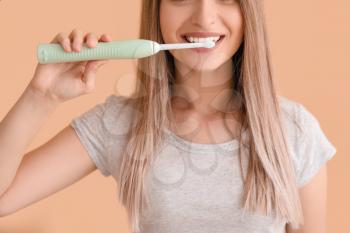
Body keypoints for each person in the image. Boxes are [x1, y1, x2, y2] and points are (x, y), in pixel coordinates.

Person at [0, 0, 337, 233]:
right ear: (157, 10)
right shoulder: (122, 123)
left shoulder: (294, 131)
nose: (204, 18)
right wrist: (41, 96)